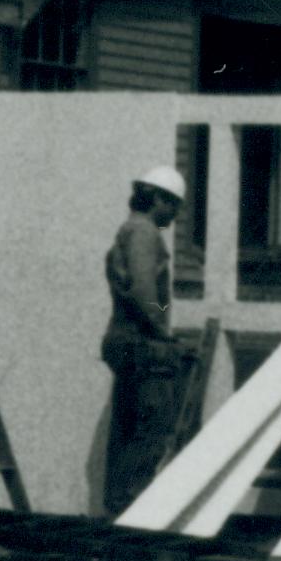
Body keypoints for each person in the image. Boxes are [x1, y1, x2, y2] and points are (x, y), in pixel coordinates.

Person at [99, 165, 193, 511]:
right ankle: (130, 508)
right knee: (152, 430)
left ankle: (117, 509)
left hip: (127, 340)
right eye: (173, 205)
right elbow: (143, 289)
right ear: (156, 198)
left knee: (127, 430)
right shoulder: (143, 232)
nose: (175, 214)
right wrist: (161, 333)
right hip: (141, 342)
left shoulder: (129, 230)